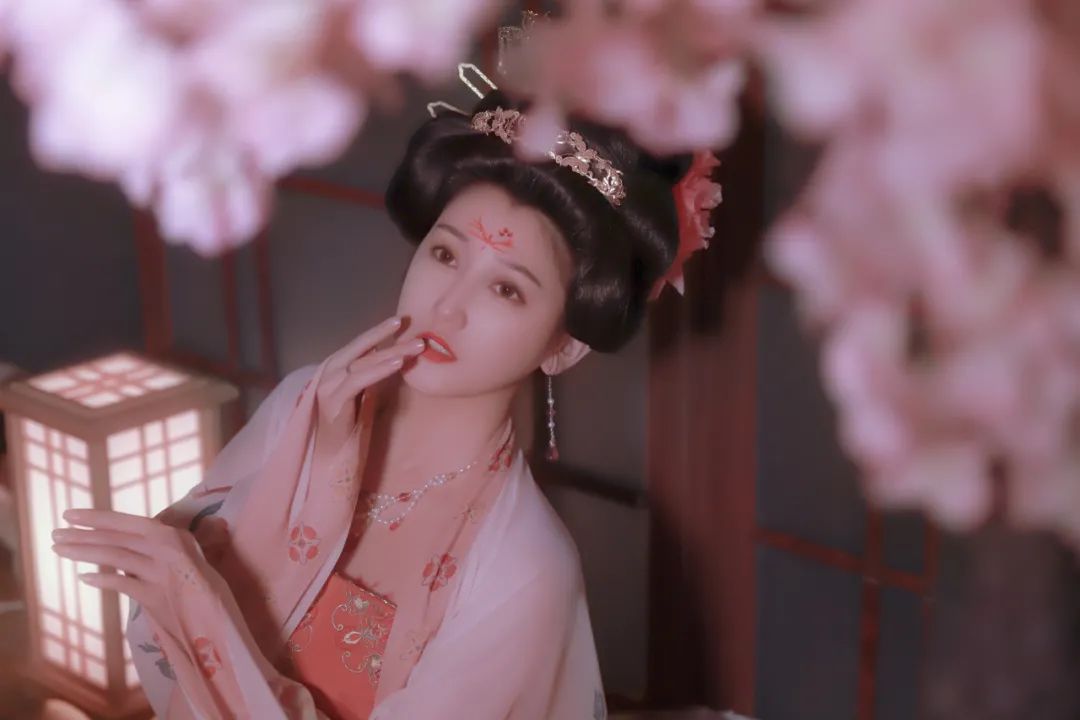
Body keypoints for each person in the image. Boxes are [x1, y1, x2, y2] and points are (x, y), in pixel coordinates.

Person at [51, 86, 701, 719]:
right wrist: (316, 470)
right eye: (445, 253)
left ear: (565, 345)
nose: (448, 306)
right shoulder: (305, 406)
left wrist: (200, 607)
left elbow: (191, 599)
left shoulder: (528, 569)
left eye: (506, 289)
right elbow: (170, 655)